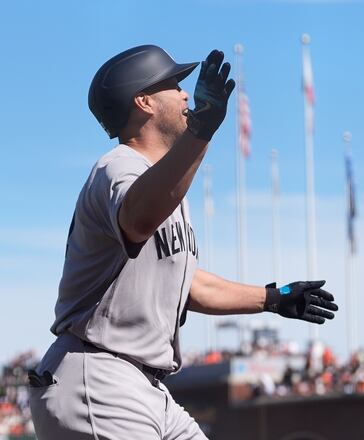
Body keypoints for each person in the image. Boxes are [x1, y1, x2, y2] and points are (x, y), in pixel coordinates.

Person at [27, 45, 338, 439]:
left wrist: (271, 298)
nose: (185, 93)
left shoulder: (164, 187)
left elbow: (187, 282)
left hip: (143, 385)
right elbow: (137, 220)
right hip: (99, 377)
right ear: (144, 101)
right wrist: (202, 129)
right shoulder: (119, 165)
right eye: (173, 84)